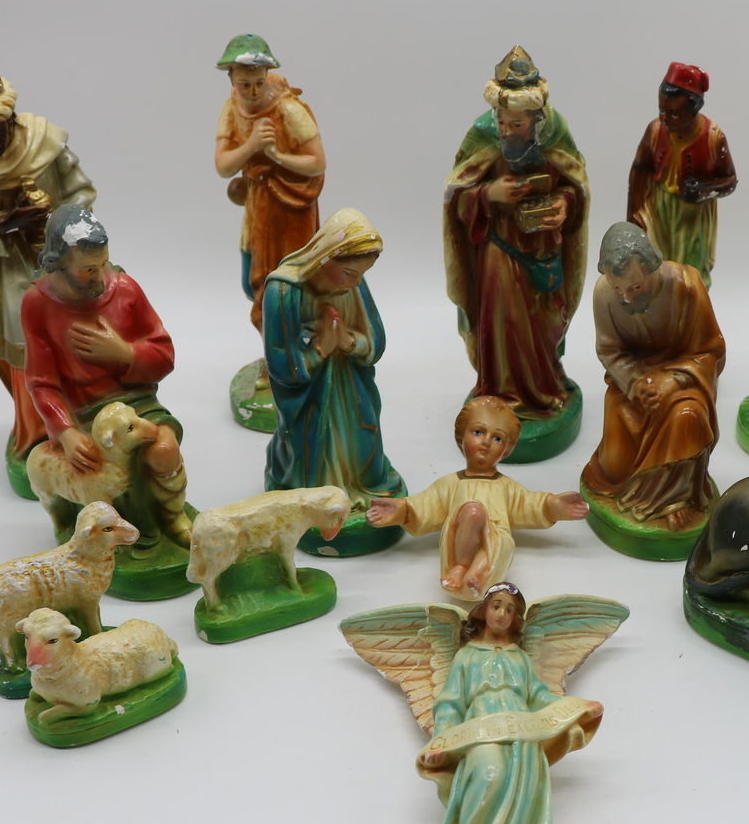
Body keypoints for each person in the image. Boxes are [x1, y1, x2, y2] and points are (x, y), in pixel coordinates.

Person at [414, 583, 598, 824]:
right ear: (484, 609)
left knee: (521, 801)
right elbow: (450, 703)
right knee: (488, 778)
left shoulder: (520, 658)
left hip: (522, 733)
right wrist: (442, 742)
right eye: (497, 605)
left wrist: (575, 708)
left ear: (517, 619)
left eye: (510, 610)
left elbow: (538, 697)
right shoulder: (466, 656)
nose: (502, 614)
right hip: (481, 727)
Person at [0, 69, 96, 485]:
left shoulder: (45, 142)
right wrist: (8, 222)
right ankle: (37, 432)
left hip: (59, 260)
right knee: (24, 339)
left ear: (11, 120)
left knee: (72, 335)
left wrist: (58, 225)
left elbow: (81, 192)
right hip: (6, 264)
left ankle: (82, 417)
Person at [443, 46, 589, 435]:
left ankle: (544, 387)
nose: (507, 131)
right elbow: (457, 201)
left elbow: (575, 186)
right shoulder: (483, 135)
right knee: (503, 325)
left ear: (536, 120)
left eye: (518, 124)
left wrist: (563, 204)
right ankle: (499, 391)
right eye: (503, 122)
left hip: (544, 250)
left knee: (545, 323)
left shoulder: (555, 133)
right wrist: (488, 195)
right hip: (499, 252)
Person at [20, 205, 186, 545]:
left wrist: (124, 353)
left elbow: (165, 355)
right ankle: (121, 533)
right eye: (87, 269)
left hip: (137, 403)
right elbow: (41, 382)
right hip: (84, 413)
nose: (100, 276)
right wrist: (66, 433)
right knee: (99, 470)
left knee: (163, 448)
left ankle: (173, 518)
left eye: (103, 264)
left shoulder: (125, 289)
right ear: (59, 264)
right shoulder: (37, 304)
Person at [262, 208, 405, 523]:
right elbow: (280, 362)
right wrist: (321, 348)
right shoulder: (284, 291)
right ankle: (317, 496)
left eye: (362, 274)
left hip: (352, 387)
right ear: (324, 259)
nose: (356, 282)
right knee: (311, 447)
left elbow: (376, 340)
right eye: (349, 273)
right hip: (310, 398)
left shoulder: (354, 287)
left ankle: (361, 484)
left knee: (363, 442)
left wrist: (347, 342)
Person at [582, 223, 725, 532]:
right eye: (618, 289)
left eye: (635, 287)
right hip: (633, 385)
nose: (626, 298)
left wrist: (672, 380)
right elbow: (609, 351)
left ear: (652, 266)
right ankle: (629, 482)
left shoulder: (687, 286)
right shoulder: (604, 295)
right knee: (615, 465)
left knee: (687, 417)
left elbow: (711, 349)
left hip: (684, 378)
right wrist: (636, 383)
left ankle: (674, 499)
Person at [367, 397, 586, 599]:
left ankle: (476, 576)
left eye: (498, 438)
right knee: (473, 511)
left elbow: (529, 504)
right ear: (461, 437)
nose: (486, 442)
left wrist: (555, 506)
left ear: (506, 450)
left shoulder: (506, 486)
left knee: (496, 539)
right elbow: (425, 505)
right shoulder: (451, 483)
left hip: (496, 543)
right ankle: (463, 567)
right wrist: (400, 510)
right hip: (459, 541)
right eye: (478, 432)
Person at [212, 34, 326, 330]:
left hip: (290, 206)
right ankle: (276, 342)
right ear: (231, 79)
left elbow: (316, 163)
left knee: (289, 280)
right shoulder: (231, 108)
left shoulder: (288, 110)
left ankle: (289, 342)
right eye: (244, 84)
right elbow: (223, 166)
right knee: (253, 283)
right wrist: (251, 145)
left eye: (259, 83)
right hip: (258, 205)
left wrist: (276, 156)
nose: (252, 91)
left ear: (266, 75)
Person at [625, 62, 737, 288]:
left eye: (675, 114)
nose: (666, 118)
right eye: (662, 111)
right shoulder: (655, 129)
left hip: (692, 216)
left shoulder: (713, 136)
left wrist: (704, 191)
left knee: (690, 273)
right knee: (655, 266)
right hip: (658, 208)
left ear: (694, 110)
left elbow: (730, 181)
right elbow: (640, 169)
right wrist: (634, 214)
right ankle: (659, 305)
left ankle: (692, 305)